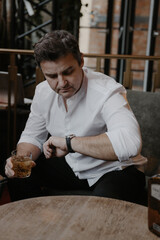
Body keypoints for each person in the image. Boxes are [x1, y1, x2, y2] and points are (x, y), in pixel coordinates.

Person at [5, 30, 147, 204]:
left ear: (81, 60)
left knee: (100, 208)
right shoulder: (43, 92)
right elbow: (32, 136)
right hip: (73, 167)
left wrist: (69, 143)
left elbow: (130, 142)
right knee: (18, 172)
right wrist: (21, 160)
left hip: (116, 170)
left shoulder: (107, 91)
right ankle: (35, 225)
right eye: (51, 76)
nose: (62, 82)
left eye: (68, 72)